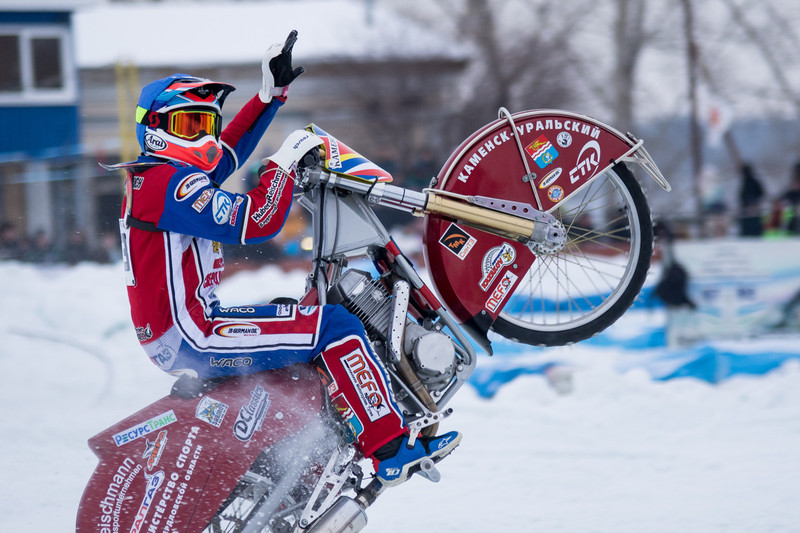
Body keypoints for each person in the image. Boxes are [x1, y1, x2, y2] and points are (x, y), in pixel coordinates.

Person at [106, 31, 460, 487]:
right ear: (154, 129)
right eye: (189, 125)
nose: (204, 136)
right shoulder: (165, 184)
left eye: (207, 124)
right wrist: (284, 162)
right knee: (334, 326)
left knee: (296, 314)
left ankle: (297, 455)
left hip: (185, 329)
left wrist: (267, 98)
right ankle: (390, 448)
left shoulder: (164, 178)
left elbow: (228, 152)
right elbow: (258, 221)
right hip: (193, 333)